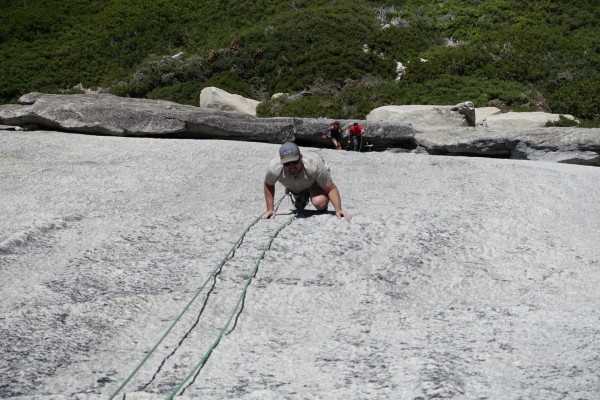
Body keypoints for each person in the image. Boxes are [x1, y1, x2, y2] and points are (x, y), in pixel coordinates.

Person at [262, 142, 351, 220]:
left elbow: (330, 188)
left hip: (314, 181)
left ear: (300, 157)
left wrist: (338, 210)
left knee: (320, 203)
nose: (291, 166)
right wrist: (270, 209)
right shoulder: (274, 168)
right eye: (287, 163)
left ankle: (311, 191)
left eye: (294, 162)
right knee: (299, 206)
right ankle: (300, 192)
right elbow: (268, 185)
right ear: (281, 162)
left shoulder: (313, 165)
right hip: (294, 183)